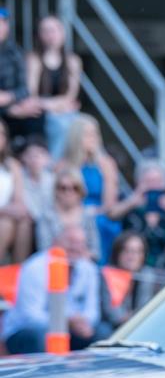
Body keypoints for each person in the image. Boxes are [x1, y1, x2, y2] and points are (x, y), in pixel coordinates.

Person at [3, 223, 101, 353]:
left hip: (70, 329)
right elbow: (30, 317)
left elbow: (93, 311)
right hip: (26, 331)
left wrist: (81, 322)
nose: (76, 247)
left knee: (102, 333)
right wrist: (66, 322)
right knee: (40, 336)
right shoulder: (34, 268)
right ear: (55, 242)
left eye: (81, 243)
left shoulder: (88, 268)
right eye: (71, 241)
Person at [60, 113, 119, 264]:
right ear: (76, 137)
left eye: (95, 133)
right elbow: (59, 197)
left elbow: (110, 204)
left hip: (98, 213)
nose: (92, 138)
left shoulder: (106, 163)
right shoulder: (64, 165)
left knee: (101, 223)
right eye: (87, 134)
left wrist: (93, 212)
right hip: (70, 213)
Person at [108, 158, 165, 265]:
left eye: (157, 181)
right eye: (148, 181)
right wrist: (131, 202)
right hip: (132, 259)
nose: (153, 185)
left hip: (164, 261)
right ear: (139, 182)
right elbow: (111, 215)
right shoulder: (131, 201)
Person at [25, 15, 82, 159]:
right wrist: (53, 106)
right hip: (41, 112)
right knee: (60, 125)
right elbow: (31, 95)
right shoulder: (33, 59)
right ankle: (54, 165)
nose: (51, 35)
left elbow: (71, 95)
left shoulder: (73, 61)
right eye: (46, 30)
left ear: (63, 33)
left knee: (86, 126)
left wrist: (59, 106)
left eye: (54, 30)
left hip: (64, 111)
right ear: (39, 35)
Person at [36, 166, 100, 259]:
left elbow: (95, 251)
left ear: (81, 191)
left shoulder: (87, 216)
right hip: (54, 265)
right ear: (56, 191)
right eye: (63, 188)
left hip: (82, 265)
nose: (69, 192)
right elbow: (43, 249)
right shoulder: (46, 216)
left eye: (75, 188)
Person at [0, 7, 42, 145]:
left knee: (36, 116)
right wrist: (10, 110)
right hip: (7, 110)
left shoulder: (16, 52)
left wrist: (11, 98)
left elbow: (25, 88)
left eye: (2, 22)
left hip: (12, 107)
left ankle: (31, 161)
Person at [100, 231, 160, 329]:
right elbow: (112, 313)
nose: (131, 257)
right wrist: (129, 318)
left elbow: (147, 309)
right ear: (117, 253)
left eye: (137, 252)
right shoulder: (108, 273)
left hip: (141, 325)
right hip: (114, 326)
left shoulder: (148, 275)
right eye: (126, 251)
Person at [0, 118, 32, 263]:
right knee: (5, 224)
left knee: (24, 221)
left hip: (6, 215)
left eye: (1, 133)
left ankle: (17, 273)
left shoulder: (12, 165)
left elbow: (19, 201)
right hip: (4, 216)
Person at [20, 135, 55, 222]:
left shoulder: (53, 180)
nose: (34, 159)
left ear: (48, 158)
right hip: (27, 220)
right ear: (23, 157)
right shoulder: (18, 178)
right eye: (30, 154)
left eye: (40, 154)